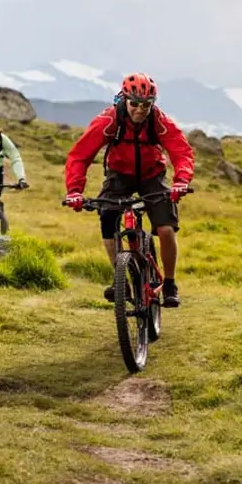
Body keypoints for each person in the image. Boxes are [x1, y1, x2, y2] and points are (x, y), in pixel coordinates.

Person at [63, 73, 194, 308]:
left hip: (152, 175)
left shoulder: (159, 121)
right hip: (119, 175)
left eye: (146, 105)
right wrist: (74, 190)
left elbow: (181, 152)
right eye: (135, 104)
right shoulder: (108, 121)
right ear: (124, 99)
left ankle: (171, 283)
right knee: (107, 216)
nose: (140, 110)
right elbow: (79, 156)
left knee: (165, 229)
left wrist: (180, 182)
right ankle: (120, 277)